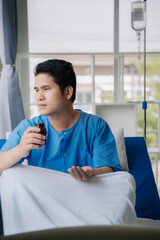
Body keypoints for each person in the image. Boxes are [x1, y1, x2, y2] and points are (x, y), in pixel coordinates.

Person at [0, 59, 121, 181]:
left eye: (46, 89)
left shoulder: (96, 126)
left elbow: (108, 170)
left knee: (126, 179)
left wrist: (92, 173)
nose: (39, 97)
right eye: (37, 90)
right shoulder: (28, 127)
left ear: (68, 92)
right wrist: (20, 150)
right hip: (41, 196)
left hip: (84, 192)